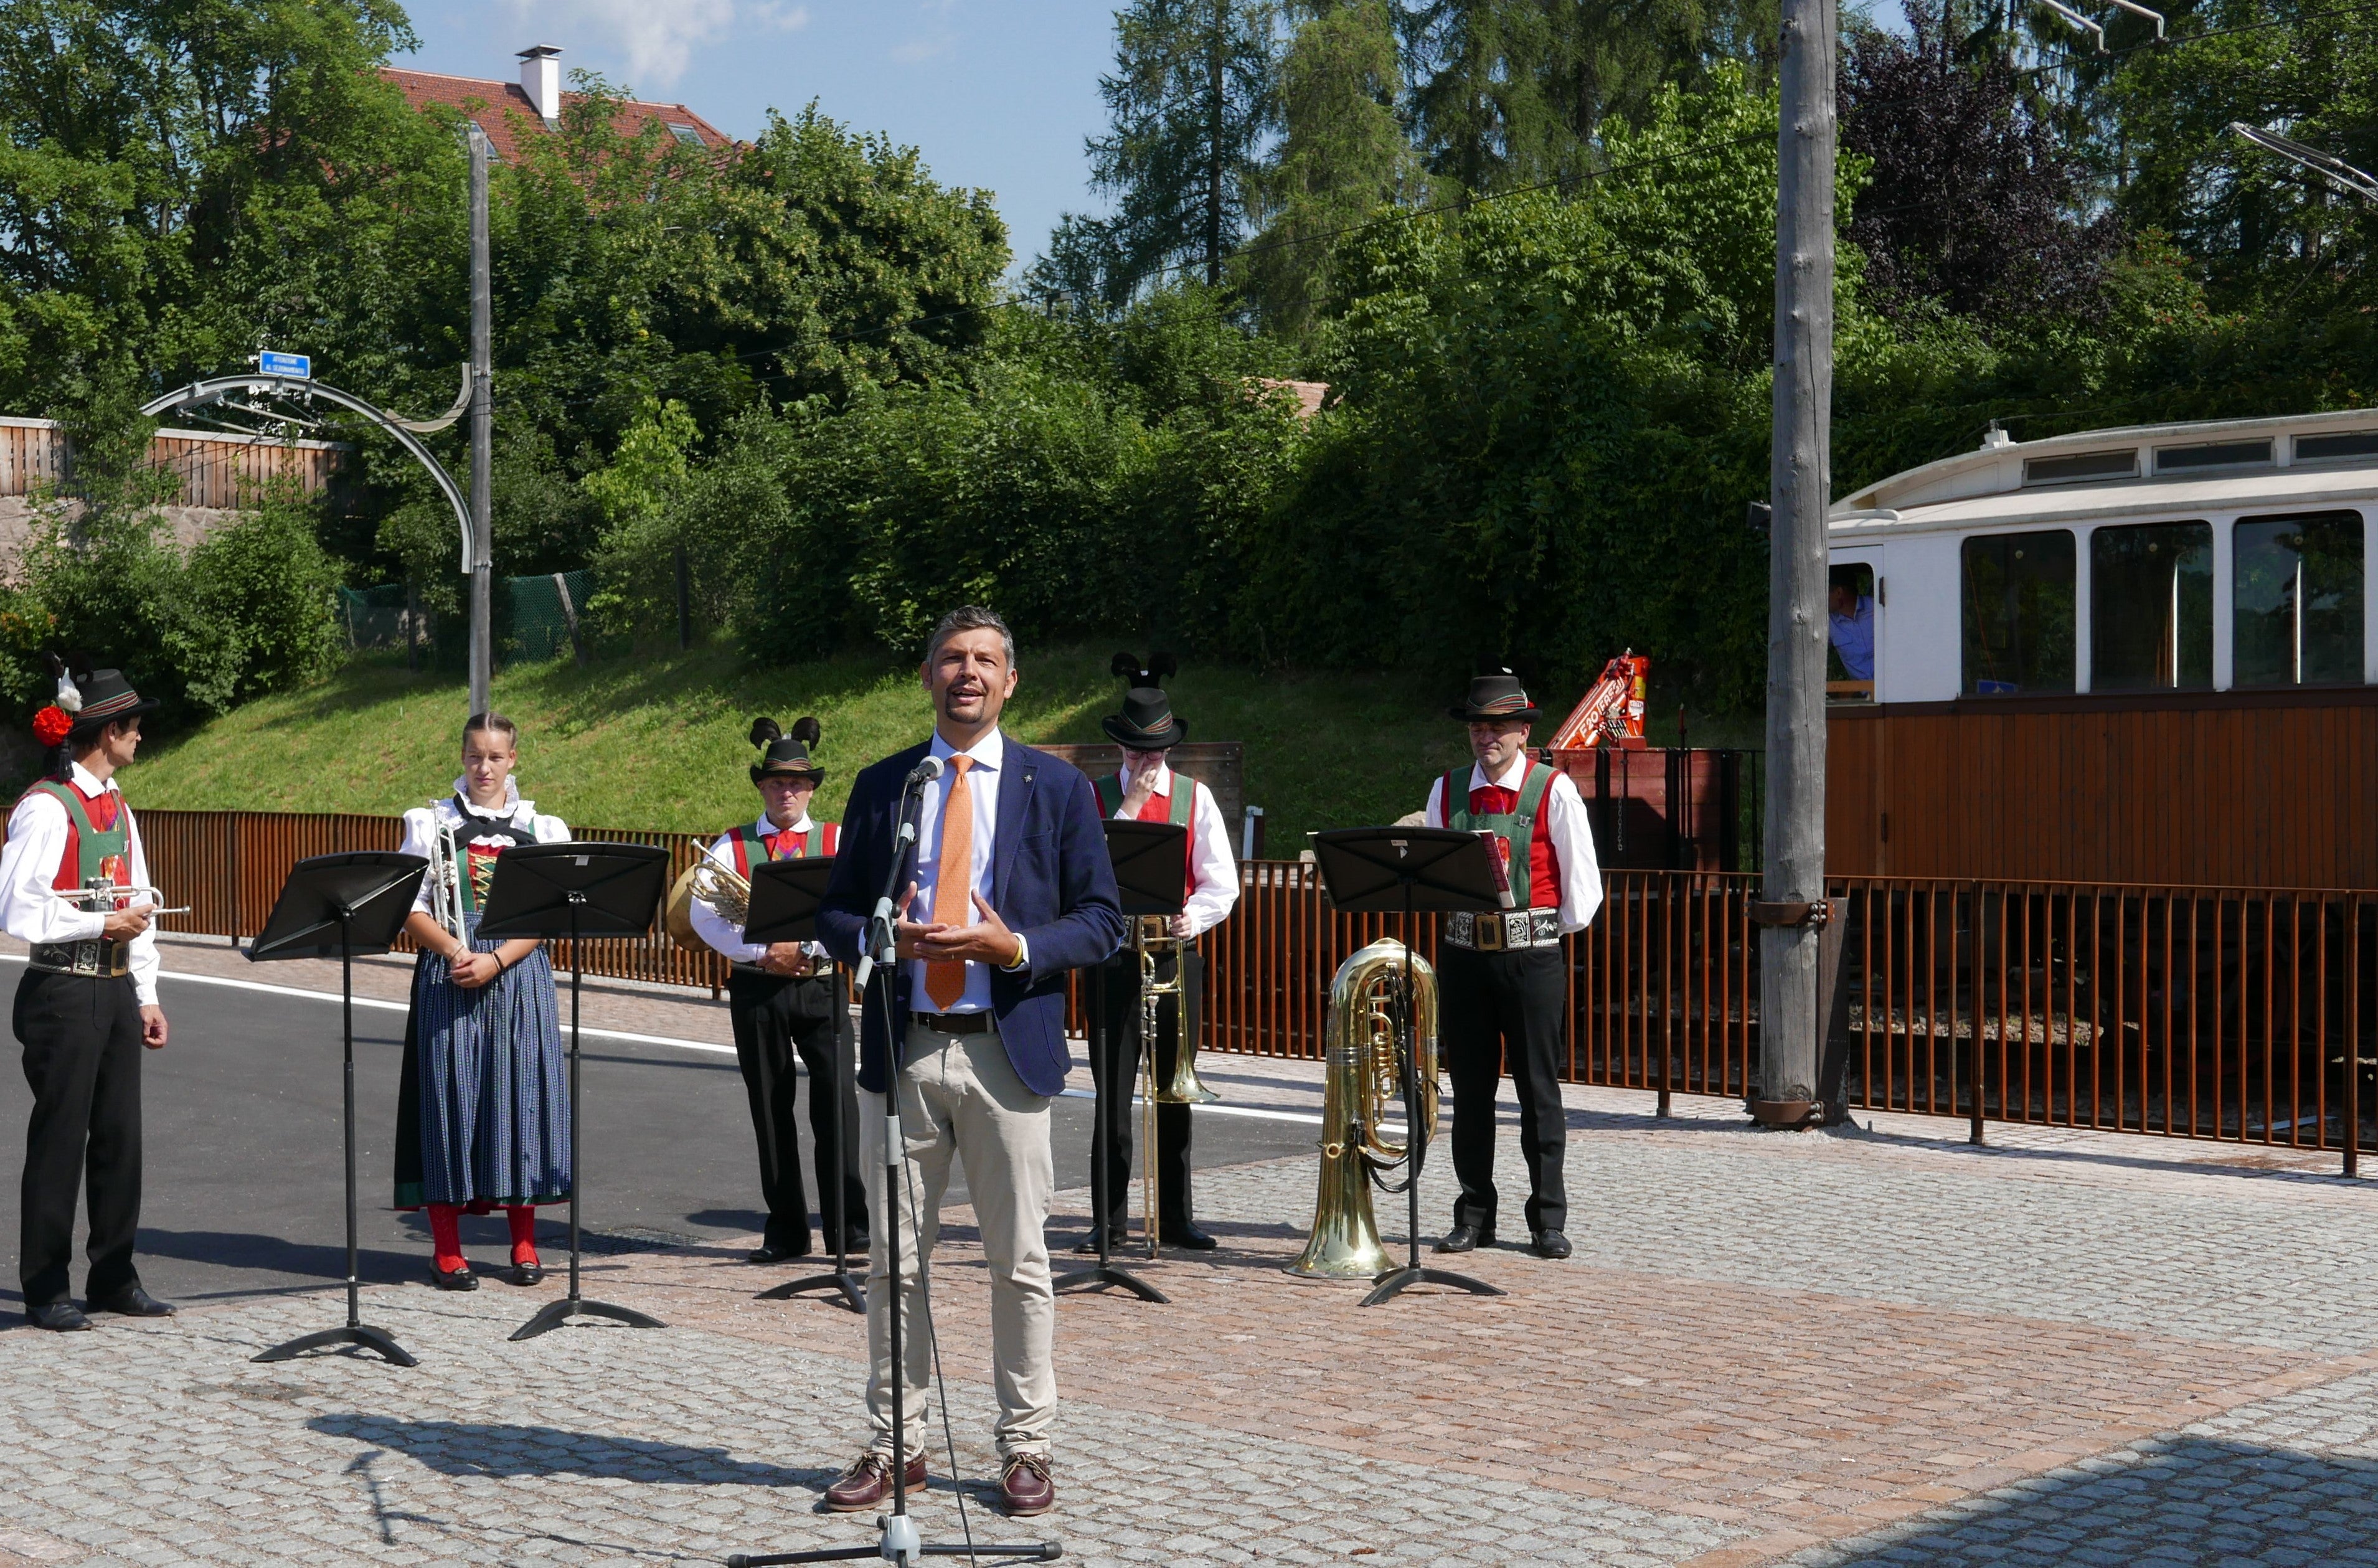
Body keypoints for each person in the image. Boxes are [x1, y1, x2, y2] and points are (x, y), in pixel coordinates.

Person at [816, 605, 1125, 1521]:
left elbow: (1102, 919)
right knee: (890, 1264)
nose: (967, 673)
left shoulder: (1056, 787)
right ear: (926, 675)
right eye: (952, 658)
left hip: (1007, 1051)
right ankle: (895, 1443)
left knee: (1018, 1261)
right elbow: (833, 913)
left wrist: (1015, 945)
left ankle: (1025, 1444)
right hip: (904, 1048)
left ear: (1009, 680)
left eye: (985, 660)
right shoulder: (885, 785)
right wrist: (884, 936)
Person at [4, 664, 173, 1331]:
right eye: (135, 729)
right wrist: (99, 922)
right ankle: (45, 1286)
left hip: (113, 986)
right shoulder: (46, 806)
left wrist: (148, 992)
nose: (141, 739)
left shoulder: (118, 805)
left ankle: (113, 1276)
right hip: (61, 990)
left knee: (119, 1140)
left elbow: (140, 899)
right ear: (110, 733)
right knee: (60, 1139)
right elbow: (16, 907)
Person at [1422, 669, 1603, 1262]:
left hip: (1531, 960)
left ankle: (1547, 1219)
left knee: (1538, 1093)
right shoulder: (1445, 791)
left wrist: (1537, 932)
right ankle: (1475, 1215)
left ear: (1525, 732)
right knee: (1469, 1094)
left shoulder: (1553, 790)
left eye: (1499, 727)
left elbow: (1584, 889)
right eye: (1478, 727)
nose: (1486, 737)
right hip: (1463, 958)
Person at [393, 712, 572, 1290]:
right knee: (450, 1097)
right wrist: (453, 950)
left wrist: (497, 960)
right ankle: (446, 1248)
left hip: (518, 972)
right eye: (475, 756)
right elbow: (409, 905)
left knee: (519, 1098)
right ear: (462, 757)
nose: (484, 767)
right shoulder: (430, 821)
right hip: (452, 967)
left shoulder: (541, 827)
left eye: (495, 757)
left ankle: (524, 1244)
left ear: (513, 759)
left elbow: (548, 913)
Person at [687, 716, 867, 1265]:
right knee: (770, 1111)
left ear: (811, 787)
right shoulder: (731, 845)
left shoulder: (838, 840)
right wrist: (764, 951)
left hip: (820, 988)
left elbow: (856, 910)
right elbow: (705, 917)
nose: (786, 791)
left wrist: (810, 950)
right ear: (761, 787)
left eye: (796, 783)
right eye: (775, 783)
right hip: (756, 989)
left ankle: (849, 1230)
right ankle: (786, 1231)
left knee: (838, 1109)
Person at [1078, 656, 1237, 1253]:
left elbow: (1222, 884)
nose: (1144, 764)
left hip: (1173, 957)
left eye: (1154, 754)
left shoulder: (1195, 799)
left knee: (1175, 1092)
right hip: (1113, 959)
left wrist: (1190, 917)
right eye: (1134, 753)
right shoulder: (1093, 799)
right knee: (1112, 1098)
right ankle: (1109, 1220)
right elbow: (1085, 870)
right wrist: (1126, 809)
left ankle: (1175, 1216)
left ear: (1168, 749)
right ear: (1119, 748)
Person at [1828, 579, 1874, 681]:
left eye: (1824, 593)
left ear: (1839, 593)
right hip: (1861, 695)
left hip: (1894, 690)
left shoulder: (1877, 608)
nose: (1820, 600)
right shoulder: (1828, 623)